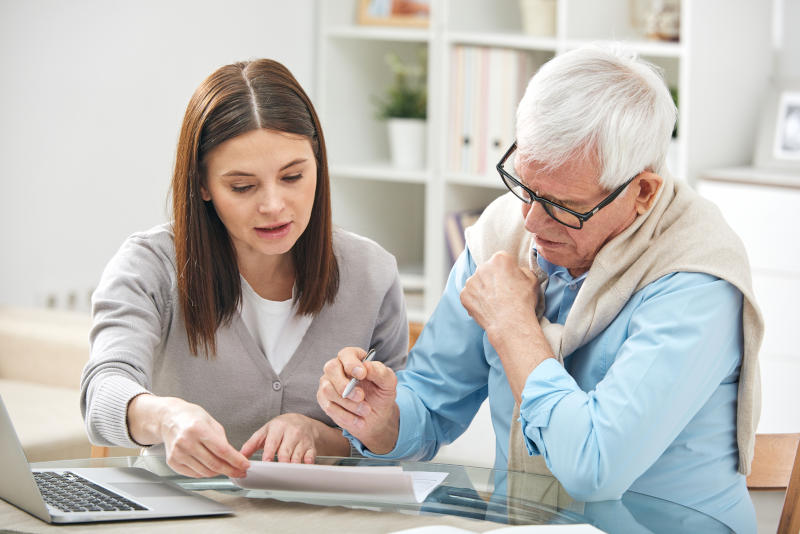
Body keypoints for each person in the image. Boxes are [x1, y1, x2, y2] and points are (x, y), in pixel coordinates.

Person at [317, 44, 763, 533]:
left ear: (643, 192)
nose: (531, 220)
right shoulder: (502, 234)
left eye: (564, 205)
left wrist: (513, 326)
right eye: (525, 187)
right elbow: (431, 404)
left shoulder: (696, 280)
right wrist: (382, 420)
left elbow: (595, 469)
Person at [80, 59, 408, 479]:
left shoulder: (371, 273)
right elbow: (103, 392)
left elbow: (396, 434)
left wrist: (316, 435)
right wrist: (165, 418)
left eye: (292, 176)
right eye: (242, 187)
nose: (273, 205)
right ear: (202, 185)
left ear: (318, 164)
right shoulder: (150, 267)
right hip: (183, 515)